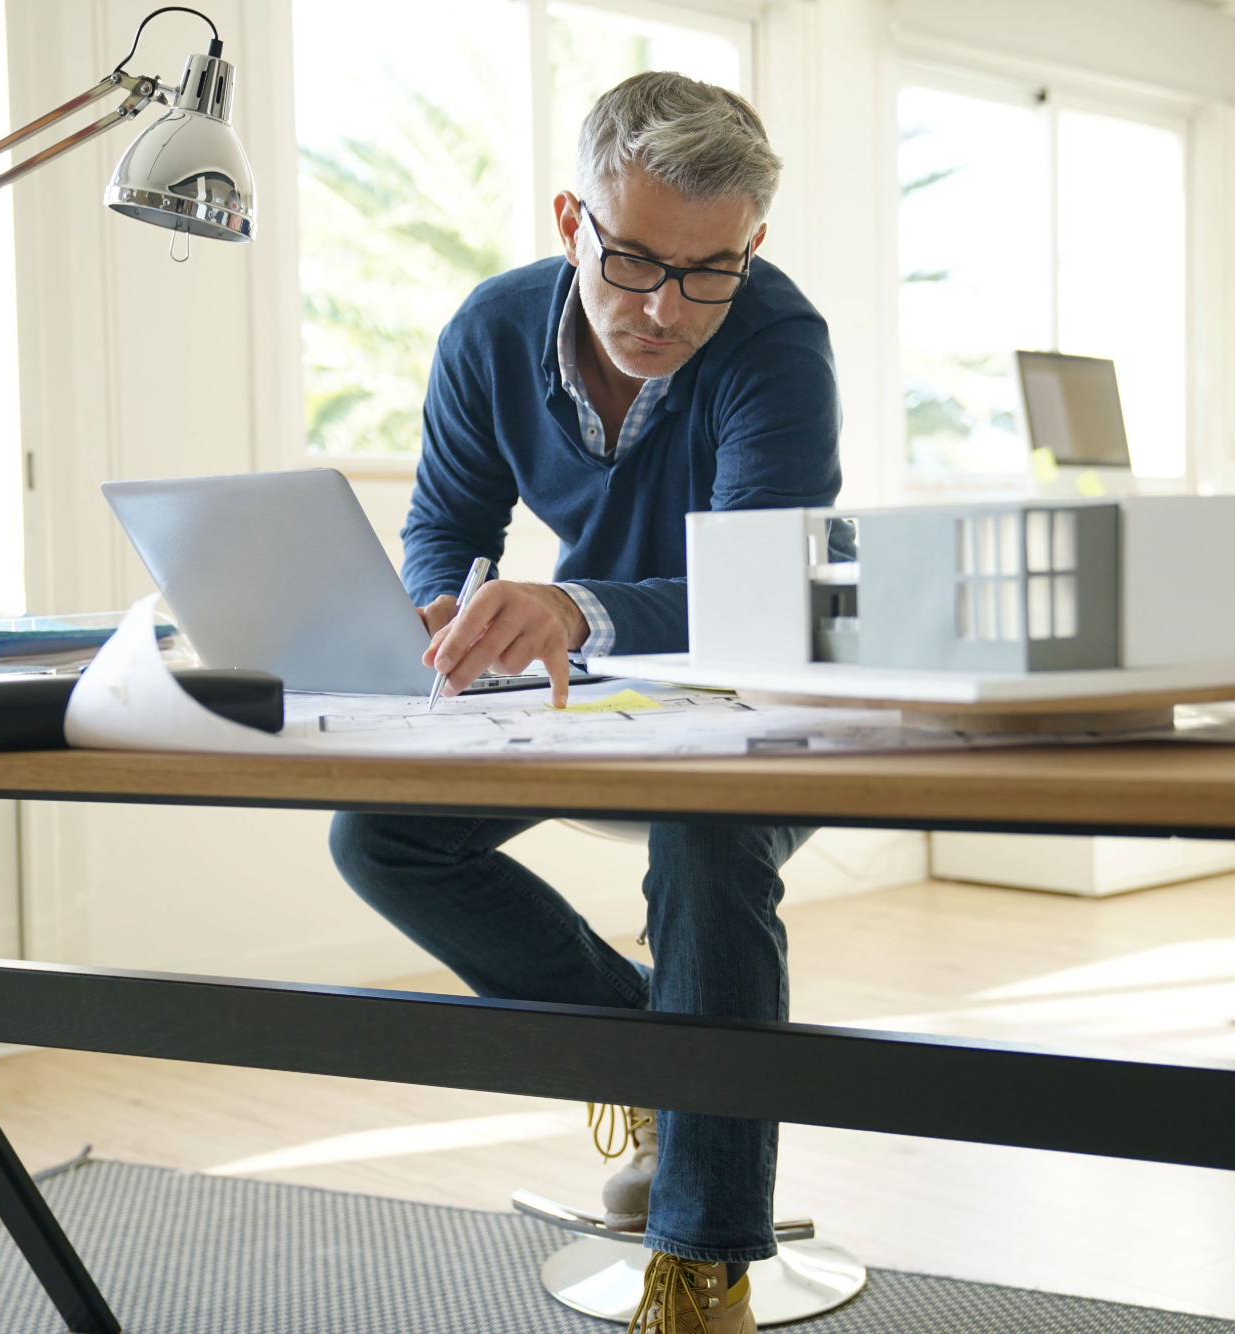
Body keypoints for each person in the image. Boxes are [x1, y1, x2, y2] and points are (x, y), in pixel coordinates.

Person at [329, 70, 839, 1333]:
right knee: (378, 834)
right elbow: (444, 521)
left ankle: (704, 1268)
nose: (663, 307)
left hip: (759, 700)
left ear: (751, 246)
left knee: (707, 844)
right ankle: (659, 1061)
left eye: (706, 270)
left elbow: (757, 590)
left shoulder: (777, 343)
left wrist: (569, 607)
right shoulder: (491, 330)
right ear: (571, 217)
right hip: (592, 701)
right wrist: (442, 608)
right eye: (629, 261)